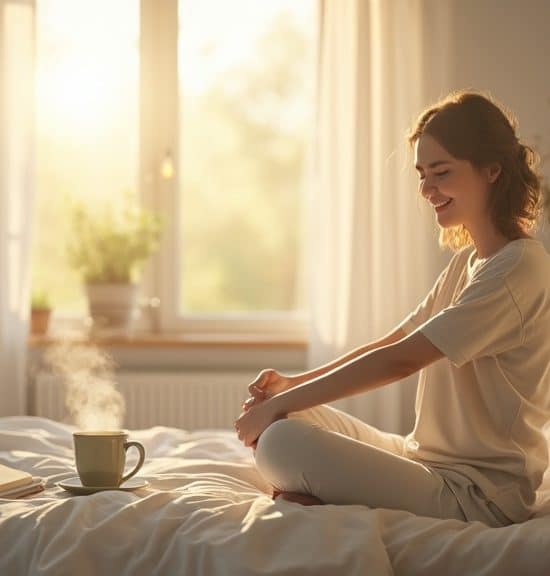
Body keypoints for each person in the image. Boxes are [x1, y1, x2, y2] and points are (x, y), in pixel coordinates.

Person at [233, 89, 550, 527]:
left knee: (281, 441)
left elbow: (401, 361)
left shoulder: (520, 267)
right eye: (422, 174)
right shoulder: (469, 261)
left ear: (492, 170)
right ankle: (317, 488)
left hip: (477, 492)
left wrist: (272, 413)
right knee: (291, 414)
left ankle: (316, 491)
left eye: (440, 172)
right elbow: (397, 340)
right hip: (425, 458)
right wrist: (290, 387)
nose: (426, 189)